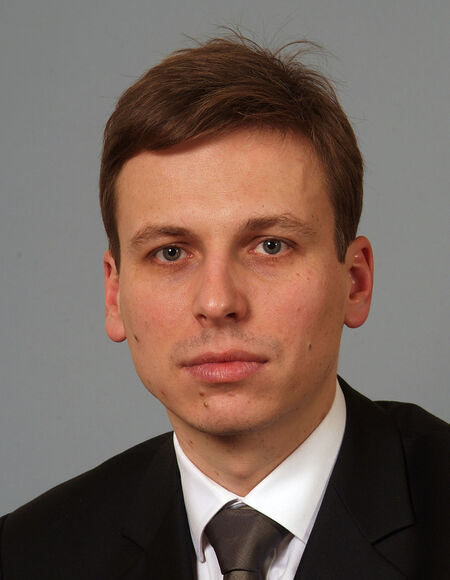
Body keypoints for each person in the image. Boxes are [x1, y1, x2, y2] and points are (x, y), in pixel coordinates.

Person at [0, 32, 448, 580]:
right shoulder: (27, 555)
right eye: (170, 252)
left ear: (355, 282)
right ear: (115, 295)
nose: (217, 302)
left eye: (271, 246)